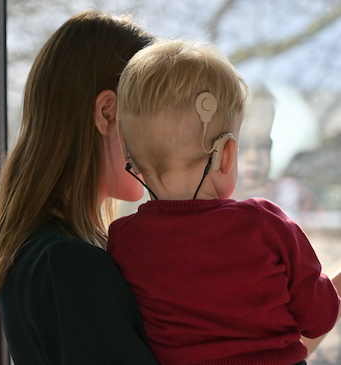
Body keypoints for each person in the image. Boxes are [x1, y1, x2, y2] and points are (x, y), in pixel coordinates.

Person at [107, 39, 341, 365]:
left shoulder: (123, 240)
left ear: (130, 158)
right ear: (227, 154)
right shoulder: (264, 222)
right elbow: (320, 317)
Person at [0, 11, 160, 365]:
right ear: (107, 112)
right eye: (152, 116)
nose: (161, 140)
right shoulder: (70, 265)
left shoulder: (42, 252)